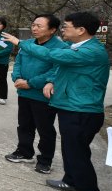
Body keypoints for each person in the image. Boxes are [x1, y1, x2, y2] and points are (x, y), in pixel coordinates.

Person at [2, 12, 110, 191]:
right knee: (70, 149)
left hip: (82, 109)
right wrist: (51, 81)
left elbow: (52, 56)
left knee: (78, 153)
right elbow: (60, 69)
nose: (63, 29)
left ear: (81, 30)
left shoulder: (91, 51)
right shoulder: (78, 47)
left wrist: (20, 42)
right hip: (70, 106)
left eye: (66, 26)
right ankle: (70, 180)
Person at [4, 14, 68, 174]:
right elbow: (18, 63)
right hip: (24, 93)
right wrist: (17, 77)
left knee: (45, 128)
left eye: (39, 26)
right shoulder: (27, 44)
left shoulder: (60, 48)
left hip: (42, 95)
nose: (34, 28)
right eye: (33, 25)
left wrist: (30, 83)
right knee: (24, 124)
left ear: (52, 29)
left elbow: (55, 71)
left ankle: (45, 160)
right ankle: (24, 152)